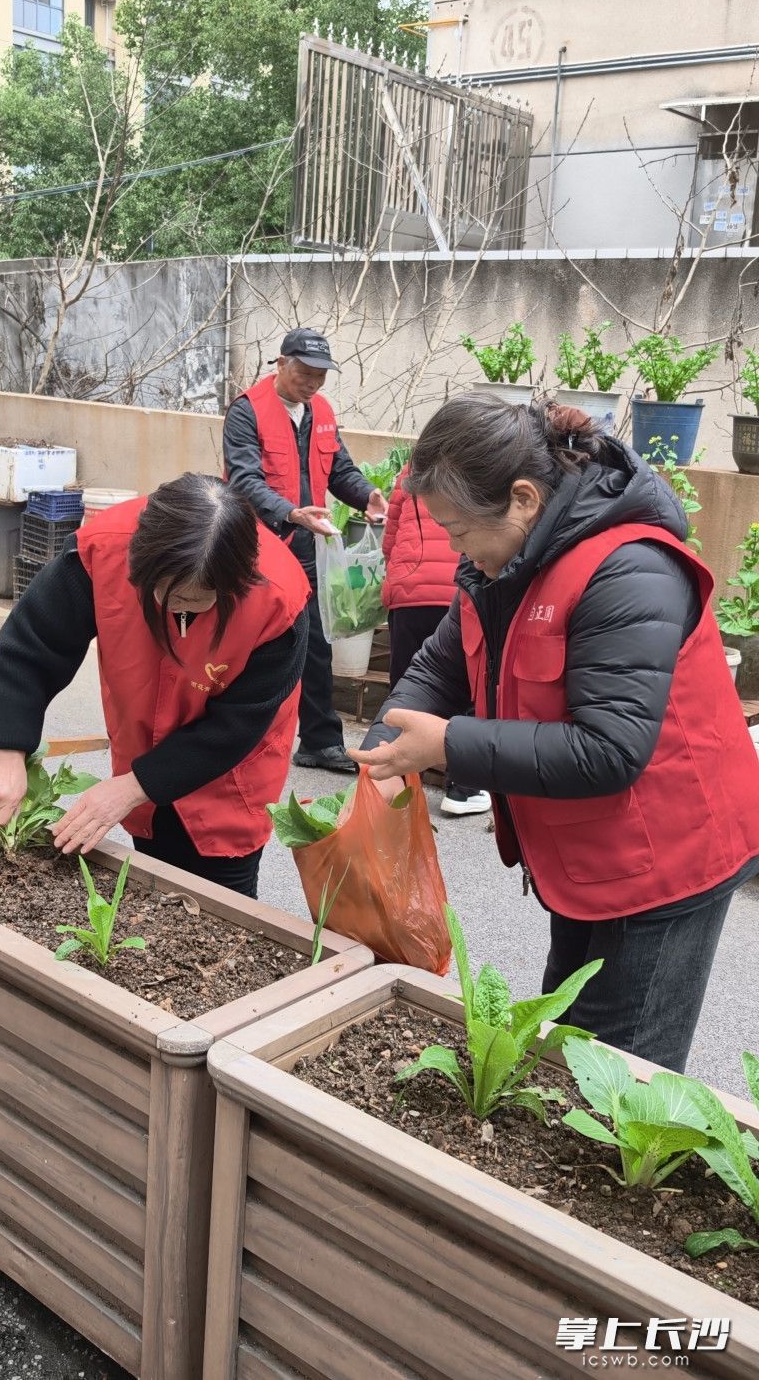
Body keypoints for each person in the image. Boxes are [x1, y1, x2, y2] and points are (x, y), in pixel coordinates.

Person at [354, 394, 759, 1072]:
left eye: (457, 530)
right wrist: (385, 746)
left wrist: (448, 746)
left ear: (521, 498)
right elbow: (442, 663)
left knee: (618, 1077)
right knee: (566, 1048)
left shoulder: (629, 569)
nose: (454, 548)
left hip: (669, 860)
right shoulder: (504, 563)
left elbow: (610, 750)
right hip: (588, 859)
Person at [0, 473, 310, 900]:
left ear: (236, 582)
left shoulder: (280, 600)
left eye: (194, 599)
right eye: (163, 592)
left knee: (223, 903)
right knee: (147, 889)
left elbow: (237, 726)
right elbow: (32, 647)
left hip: (230, 777)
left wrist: (129, 788)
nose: (175, 608)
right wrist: (6, 755)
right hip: (141, 745)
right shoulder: (103, 550)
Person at [223, 327, 387, 773]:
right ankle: (234, 735)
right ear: (281, 364)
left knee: (315, 645)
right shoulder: (247, 412)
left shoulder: (321, 412)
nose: (313, 383)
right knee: (250, 643)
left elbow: (340, 470)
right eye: (305, 372)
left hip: (308, 548)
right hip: (258, 548)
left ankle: (319, 741)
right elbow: (244, 481)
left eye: (321, 375)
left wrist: (367, 495)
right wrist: (291, 513)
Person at [383, 462, 491, 818]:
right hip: (452, 590)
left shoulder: (410, 472)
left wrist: (399, 574)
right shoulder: (479, 471)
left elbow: (391, 533)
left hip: (409, 589)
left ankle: (398, 780)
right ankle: (462, 787)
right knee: (469, 687)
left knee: (408, 683)